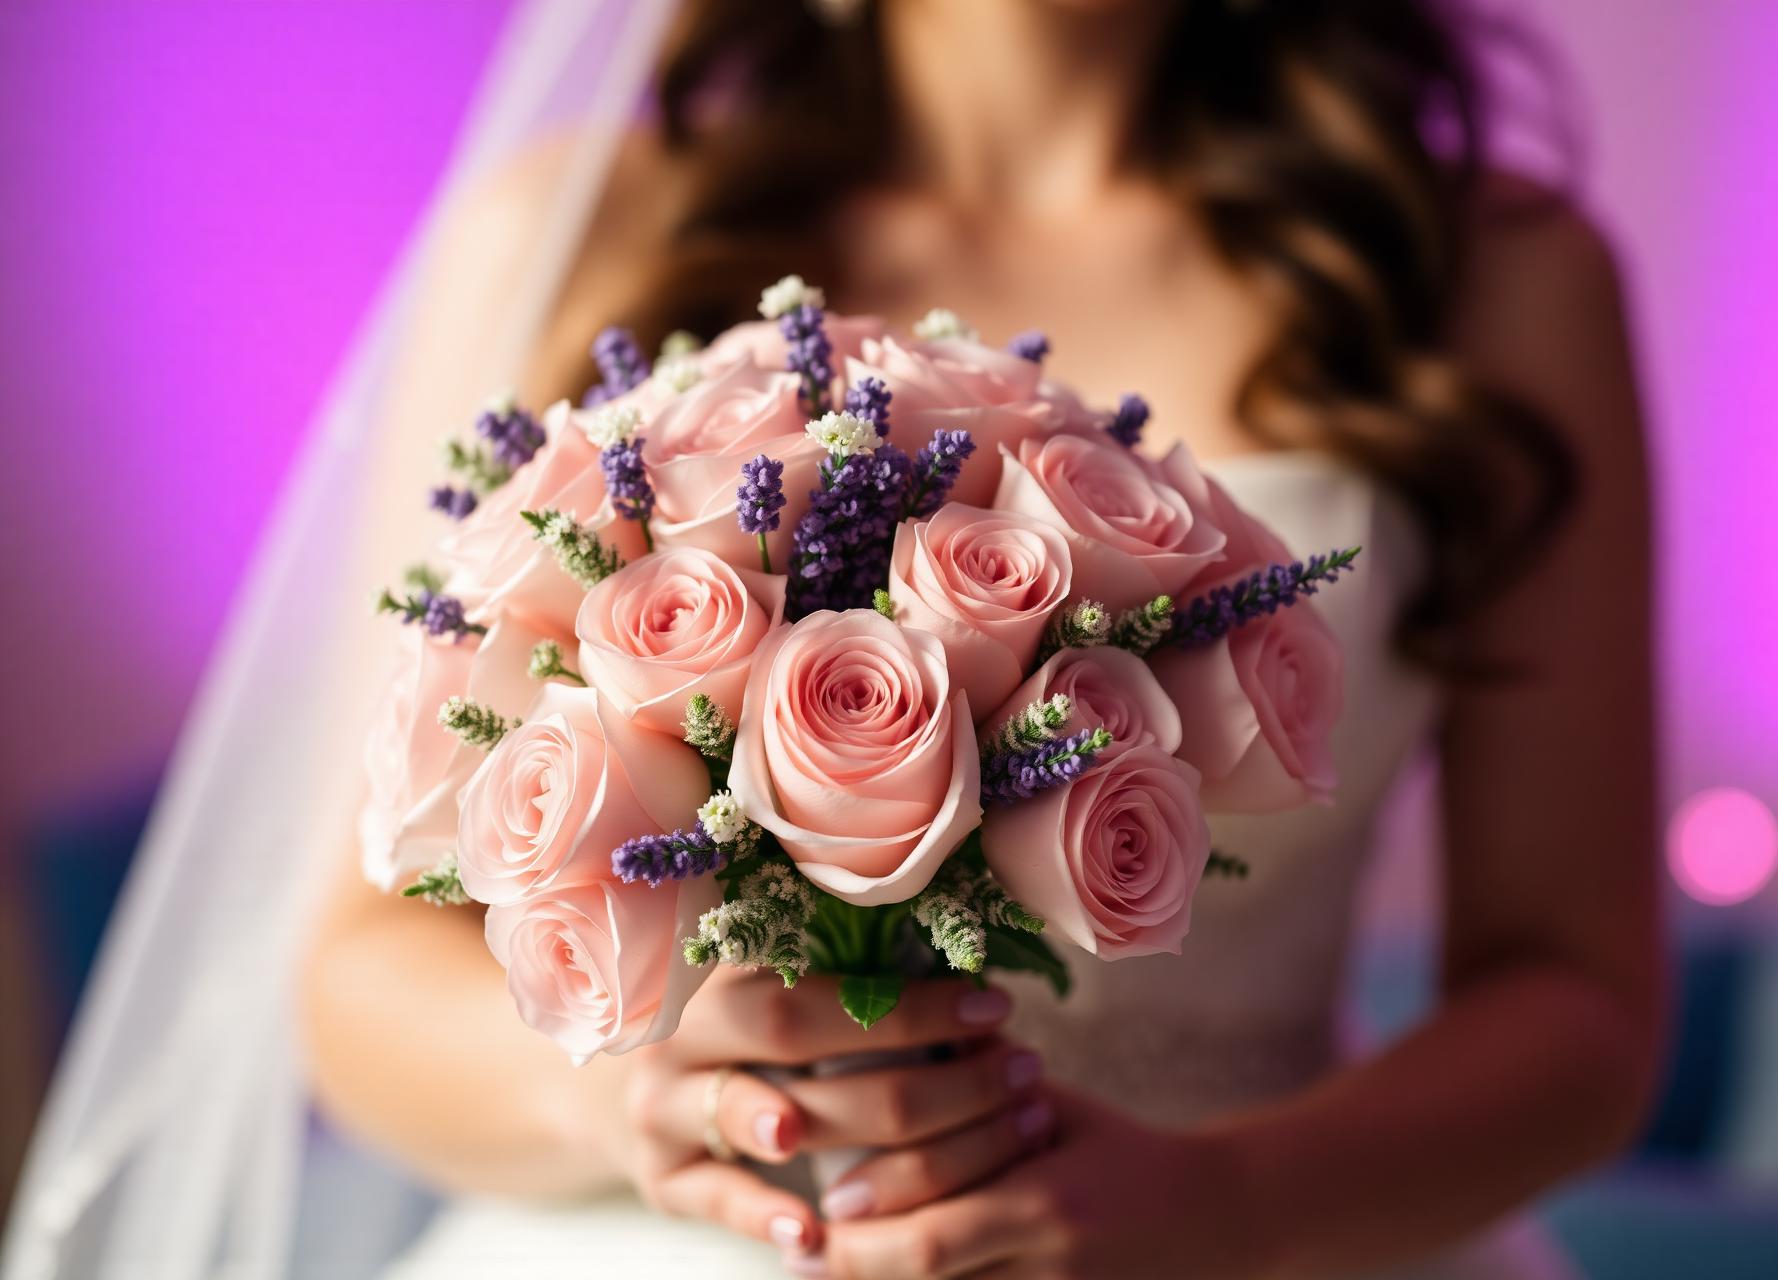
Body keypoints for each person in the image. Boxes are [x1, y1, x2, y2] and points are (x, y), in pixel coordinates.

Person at [299, 1, 1662, 1276]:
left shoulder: (1494, 275)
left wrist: (1226, 1202)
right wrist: (613, 1091)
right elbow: (358, 966)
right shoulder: (578, 228)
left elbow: (1580, 995)